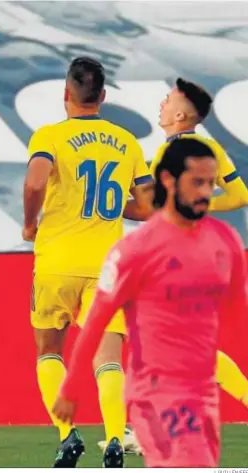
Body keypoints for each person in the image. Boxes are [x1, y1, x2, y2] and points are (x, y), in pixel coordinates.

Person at [54, 138, 248, 468]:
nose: (205, 194)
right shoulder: (141, 249)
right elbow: (98, 317)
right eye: (198, 184)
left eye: (208, 184)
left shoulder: (218, 243)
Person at [22, 56, 153, 467]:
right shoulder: (127, 142)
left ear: (66, 94)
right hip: (108, 268)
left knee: (48, 352)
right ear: (104, 97)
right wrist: (114, 210)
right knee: (109, 359)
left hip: (57, 260)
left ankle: (67, 435)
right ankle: (115, 440)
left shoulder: (49, 136)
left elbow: (35, 181)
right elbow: (150, 207)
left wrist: (30, 223)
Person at [151, 77, 248, 412]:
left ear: (181, 116)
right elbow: (240, 195)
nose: (162, 103)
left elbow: (155, 205)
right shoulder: (210, 148)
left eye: (168, 99)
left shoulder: (170, 153)